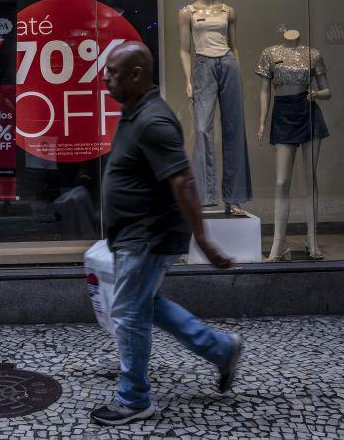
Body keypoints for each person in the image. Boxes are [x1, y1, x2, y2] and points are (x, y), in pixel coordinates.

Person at [90, 41, 243, 427]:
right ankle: (222, 350)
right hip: (136, 234)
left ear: (137, 74)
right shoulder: (134, 113)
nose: (104, 76)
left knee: (128, 314)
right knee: (148, 304)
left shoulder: (153, 121)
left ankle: (134, 399)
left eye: (112, 71)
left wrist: (204, 241)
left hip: (147, 236)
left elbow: (184, 182)